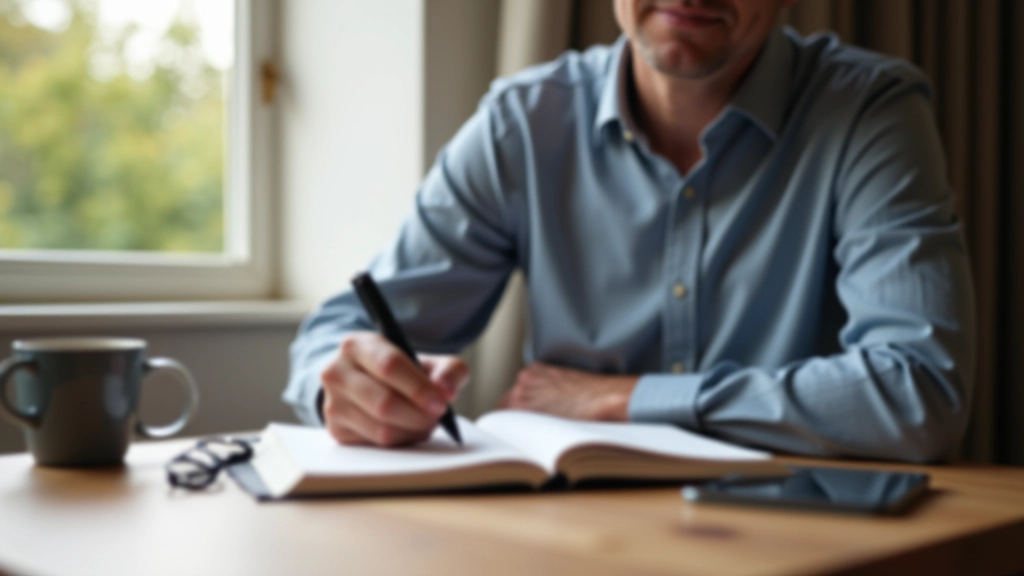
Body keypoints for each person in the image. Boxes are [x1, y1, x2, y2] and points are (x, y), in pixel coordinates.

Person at [285, 0, 975, 463]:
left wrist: (623, 398)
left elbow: (919, 392)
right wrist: (346, 387)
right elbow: (344, 329)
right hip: (577, 536)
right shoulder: (522, 123)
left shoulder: (869, 112)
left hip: (799, 533)